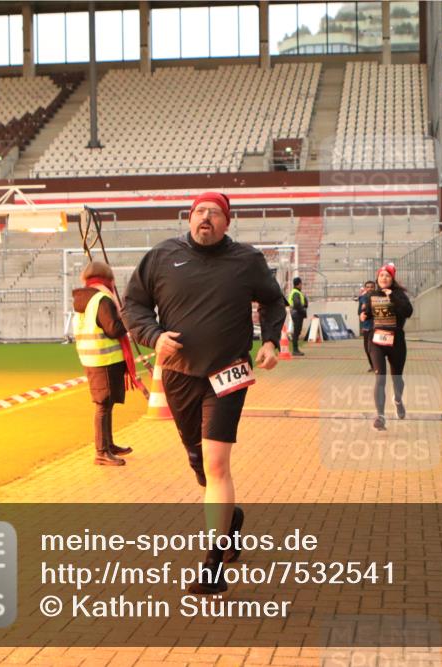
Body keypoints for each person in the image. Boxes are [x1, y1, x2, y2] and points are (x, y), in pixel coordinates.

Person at [123, 191, 285, 594]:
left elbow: (272, 301)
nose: (205, 217)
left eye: (215, 212)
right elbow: (133, 305)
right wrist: (153, 336)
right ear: (190, 218)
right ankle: (230, 518)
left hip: (228, 372)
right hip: (178, 374)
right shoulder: (162, 257)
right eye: (199, 212)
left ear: (227, 222)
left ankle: (212, 565)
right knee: (198, 462)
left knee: (215, 463)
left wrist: (269, 341)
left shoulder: (246, 260)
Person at [73, 261, 139, 467]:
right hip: (105, 360)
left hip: (94, 359)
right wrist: (126, 318)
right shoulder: (102, 299)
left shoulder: (85, 299)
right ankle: (101, 451)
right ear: (107, 278)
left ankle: (107, 445)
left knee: (106, 405)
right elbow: (113, 329)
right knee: (103, 405)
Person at [360, 263, 413, 431]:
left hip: (396, 341)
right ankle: (380, 416)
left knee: (397, 378)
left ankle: (397, 400)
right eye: (381, 275)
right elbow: (367, 312)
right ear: (377, 278)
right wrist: (363, 315)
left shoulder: (399, 294)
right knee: (380, 378)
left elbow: (408, 312)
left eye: (387, 276)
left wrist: (393, 298)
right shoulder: (372, 295)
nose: (384, 278)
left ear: (392, 279)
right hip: (377, 340)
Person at [358, 280, 377, 372]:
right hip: (366, 327)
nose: (370, 289)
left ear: (375, 288)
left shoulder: (378, 297)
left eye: (372, 287)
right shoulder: (362, 298)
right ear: (365, 288)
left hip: (376, 326)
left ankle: (377, 365)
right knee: (366, 349)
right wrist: (362, 310)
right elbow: (359, 312)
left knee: (372, 348)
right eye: (368, 287)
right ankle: (372, 365)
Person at [287, 276, 308, 356]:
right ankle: (295, 350)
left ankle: (296, 349)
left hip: (296, 313)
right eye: (301, 284)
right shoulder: (296, 293)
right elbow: (297, 304)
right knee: (296, 332)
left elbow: (300, 303)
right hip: (297, 314)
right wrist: (303, 310)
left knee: (297, 332)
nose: (301, 285)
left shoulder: (295, 292)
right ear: (299, 284)